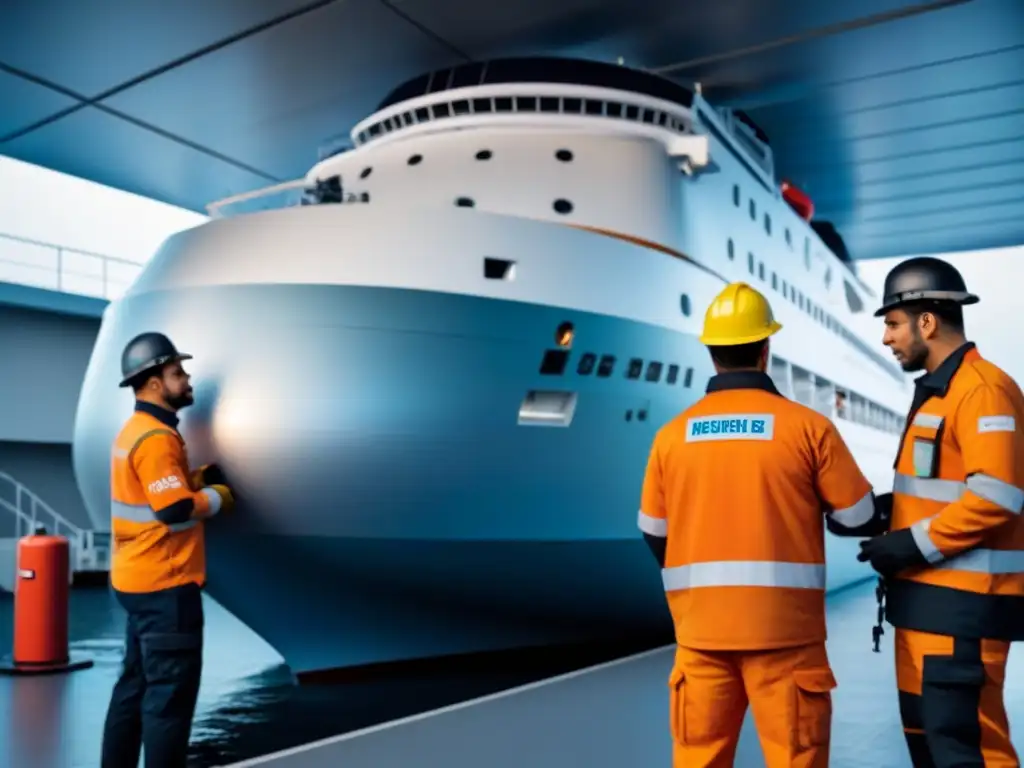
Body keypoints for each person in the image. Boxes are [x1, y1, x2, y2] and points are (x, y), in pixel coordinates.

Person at [638, 281, 889, 768]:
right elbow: (856, 517)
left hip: (702, 639)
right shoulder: (807, 428)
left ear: (712, 353)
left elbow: (653, 532)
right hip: (788, 641)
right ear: (766, 349)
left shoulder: (671, 438)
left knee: (698, 759)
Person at [856, 256, 1023, 768]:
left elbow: (997, 497)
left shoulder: (982, 391)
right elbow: (941, 488)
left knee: (966, 750)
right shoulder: (938, 395)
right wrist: (893, 512)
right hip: (927, 610)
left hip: (961, 615)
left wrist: (908, 544)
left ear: (926, 321)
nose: (886, 338)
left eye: (891, 323)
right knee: (932, 747)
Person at [100, 332, 235, 768]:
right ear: (155, 383)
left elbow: (151, 491)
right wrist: (217, 496)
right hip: (165, 585)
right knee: (168, 704)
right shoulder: (157, 439)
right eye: (178, 372)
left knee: (132, 690)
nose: (187, 378)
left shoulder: (134, 432)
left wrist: (190, 479)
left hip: (133, 581)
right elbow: (174, 509)